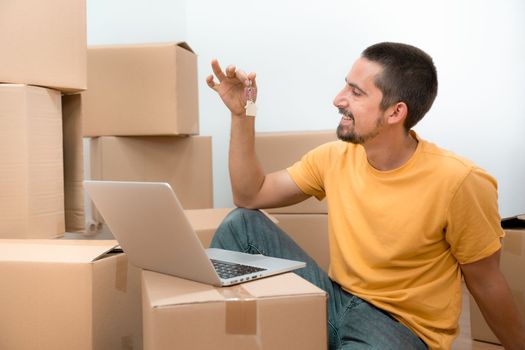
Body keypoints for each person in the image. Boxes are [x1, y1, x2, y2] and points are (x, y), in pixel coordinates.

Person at [206, 42, 525, 350]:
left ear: (395, 112)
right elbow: (250, 195)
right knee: (241, 224)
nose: (337, 99)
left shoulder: (459, 181)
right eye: (346, 86)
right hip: (334, 299)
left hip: (396, 326)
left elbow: (486, 282)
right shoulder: (334, 157)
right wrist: (242, 113)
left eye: (356, 92)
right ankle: (231, 337)